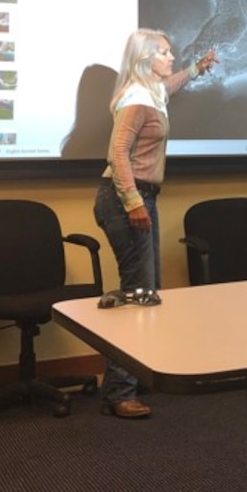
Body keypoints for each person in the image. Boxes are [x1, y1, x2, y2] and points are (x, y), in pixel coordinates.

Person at [94, 28, 218, 419]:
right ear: (146, 59)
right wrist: (132, 202)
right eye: (164, 53)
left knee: (148, 290)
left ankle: (133, 375)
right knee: (137, 294)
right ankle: (119, 392)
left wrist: (196, 68)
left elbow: (172, 86)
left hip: (141, 198)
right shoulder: (135, 99)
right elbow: (118, 152)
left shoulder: (153, 92)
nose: (170, 57)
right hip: (124, 200)